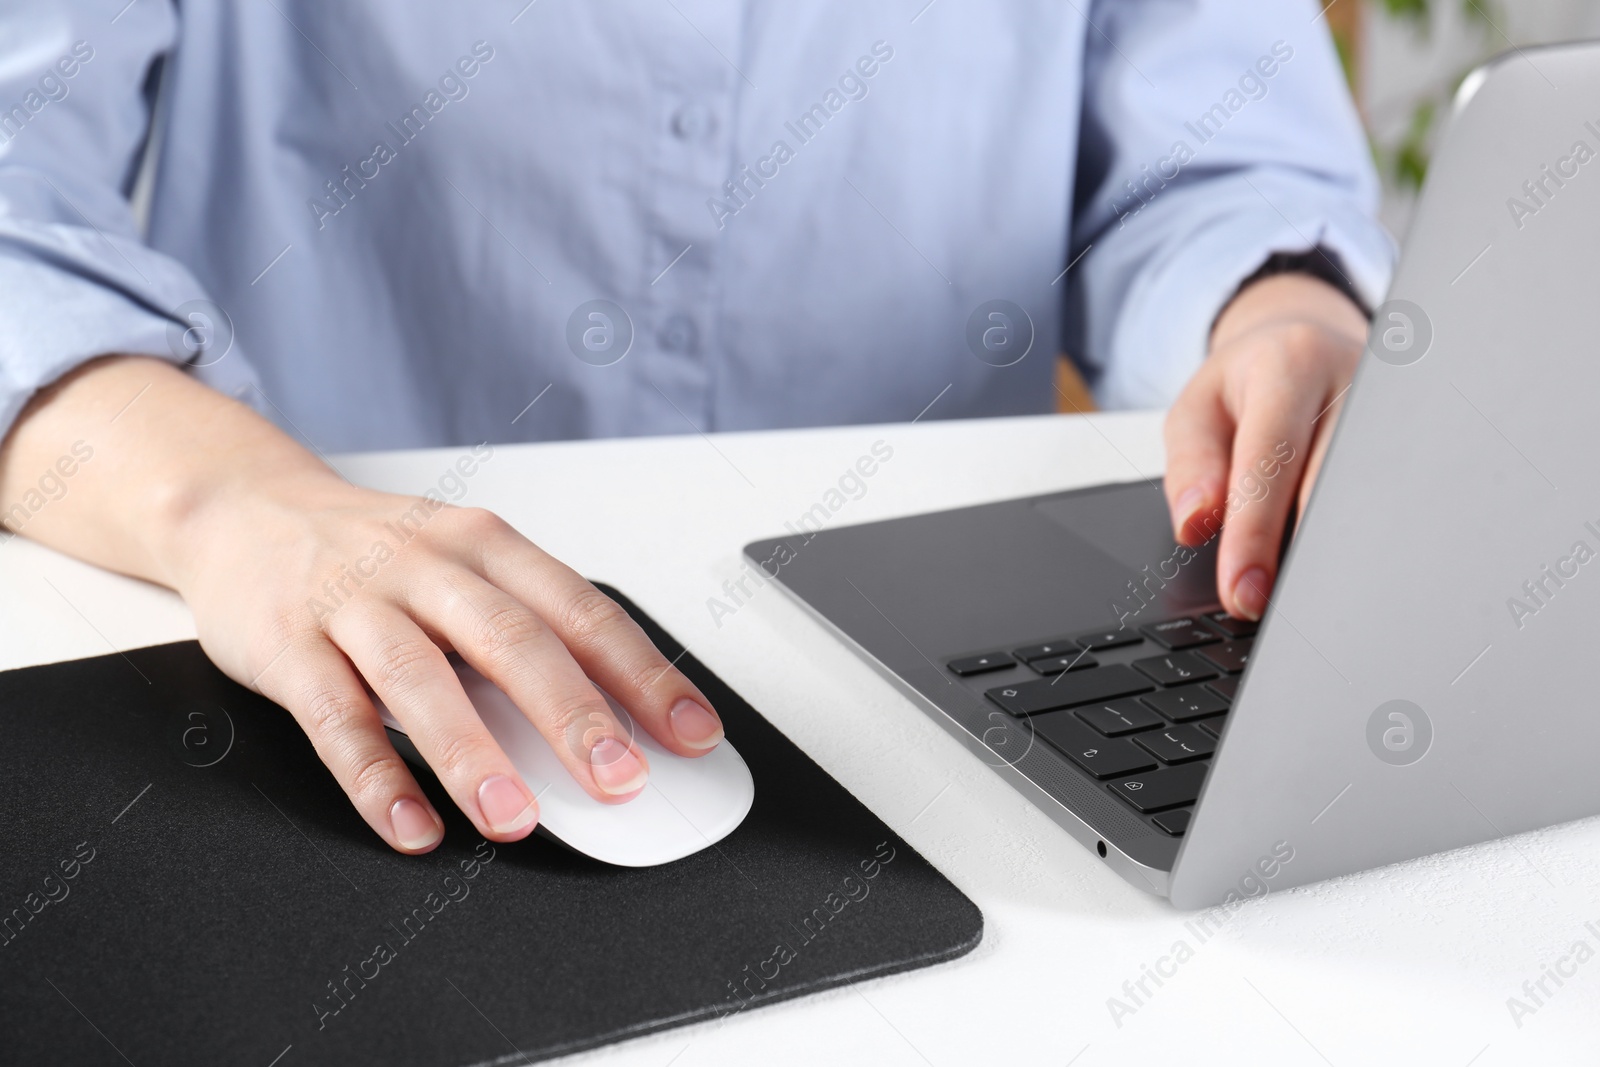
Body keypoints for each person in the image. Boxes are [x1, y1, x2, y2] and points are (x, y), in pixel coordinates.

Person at [0, 1, 1389, 854]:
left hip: (954, 701)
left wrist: (1279, 310)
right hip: (335, 652)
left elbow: (1217, 163)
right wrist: (231, 504)